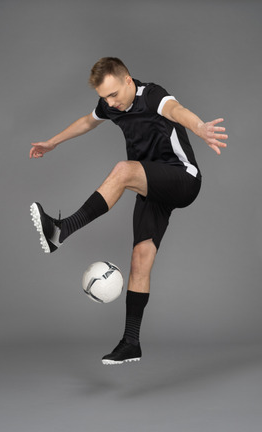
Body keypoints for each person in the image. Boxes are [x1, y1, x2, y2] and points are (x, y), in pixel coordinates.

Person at [29, 57, 227, 365]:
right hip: (151, 185)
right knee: (139, 259)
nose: (110, 103)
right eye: (104, 97)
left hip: (182, 178)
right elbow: (87, 121)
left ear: (128, 80)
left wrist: (199, 126)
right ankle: (131, 342)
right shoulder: (110, 105)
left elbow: (176, 111)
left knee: (123, 171)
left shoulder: (152, 95)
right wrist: (53, 142)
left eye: (113, 95)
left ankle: (62, 229)